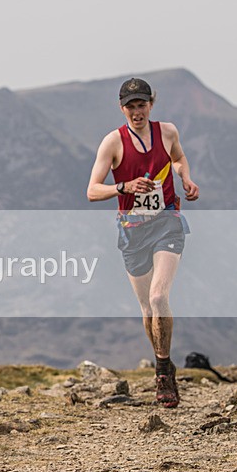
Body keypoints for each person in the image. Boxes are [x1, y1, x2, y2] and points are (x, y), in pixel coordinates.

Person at [87, 78, 199, 408]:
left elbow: (178, 158)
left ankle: (163, 371)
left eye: (142, 105)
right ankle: (163, 361)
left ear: (151, 104)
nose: (137, 112)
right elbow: (92, 190)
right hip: (132, 230)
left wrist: (185, 177)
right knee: (147, 308)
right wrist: (123, 187)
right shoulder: (113, 143)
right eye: (131, 106)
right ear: (122, 108)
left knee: (158, 295)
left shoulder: (167, 132)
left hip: (167, 222)